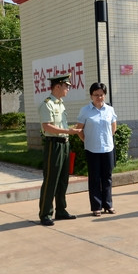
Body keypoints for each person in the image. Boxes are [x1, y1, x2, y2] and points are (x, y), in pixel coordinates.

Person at [38, 73, 82, 226]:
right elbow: (47, 126)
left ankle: (61, 210)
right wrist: (69, 131)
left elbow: (61, 126)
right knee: (51, 179)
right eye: (66, 86)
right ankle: (45, 214)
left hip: (65, 144)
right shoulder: (47, 104)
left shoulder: (60, 103)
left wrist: (69, 130)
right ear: (58, 86)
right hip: (54, 145)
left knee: (63, 179)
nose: (68, 89)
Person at [75, 82, 118, 216]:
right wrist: (87, 141)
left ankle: (108, 205)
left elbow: (113, 127)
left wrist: (106, 140)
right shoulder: (85, 110)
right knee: (94, 178)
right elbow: (79, 130)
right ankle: (96, 207)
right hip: (92, 149)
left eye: (101, 95)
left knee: (107, 177)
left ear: (105, 95)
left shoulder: (109, 110)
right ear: (91, 96)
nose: (99, 98)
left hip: (107, 148)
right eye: (96, 95)